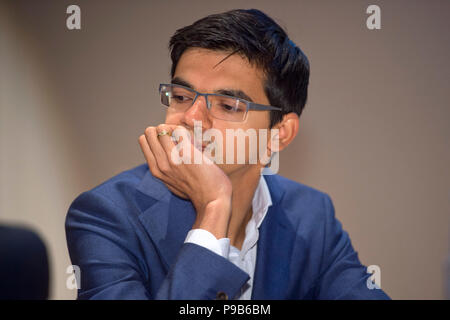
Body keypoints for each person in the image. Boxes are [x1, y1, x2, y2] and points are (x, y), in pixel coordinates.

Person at [65, 8, 390, 300]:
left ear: (279, 134)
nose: (191, 118)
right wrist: (214, 208)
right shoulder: (106, 215)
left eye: (228, 105)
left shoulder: (312, 215)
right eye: (180, 96)